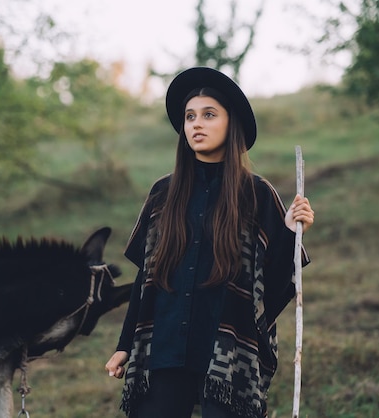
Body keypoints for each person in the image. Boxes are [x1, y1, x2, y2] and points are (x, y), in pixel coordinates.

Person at [104, 67, 314, 418]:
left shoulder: (257, 194)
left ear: (232, 125)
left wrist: (291, 235)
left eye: (208, 115)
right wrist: (125, 345)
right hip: (163, 350)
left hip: (228, 357)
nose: (195, 124)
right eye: (189, 117)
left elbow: (276, 286)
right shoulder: (162, 194)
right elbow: (146, 281)